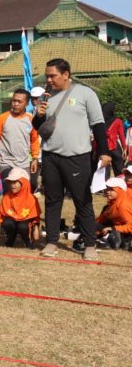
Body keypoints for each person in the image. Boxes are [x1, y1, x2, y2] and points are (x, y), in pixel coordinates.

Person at [32, 58, 110, 261]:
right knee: (52, 200)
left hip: (77, 157)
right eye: (47, 76)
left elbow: (99, 124)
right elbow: (38, 127)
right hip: (50, 156)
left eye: (53, 75)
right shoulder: (45, 97)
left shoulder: (85, 94)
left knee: (82, 200)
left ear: (66, 74)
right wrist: (38, 115)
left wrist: (104, 151)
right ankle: (51, 241)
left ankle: (90, 244)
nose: (49, 79)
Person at [0, 89, 40, 192]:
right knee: (10, 191)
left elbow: (34, 140)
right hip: (5, 163)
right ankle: (7, 208)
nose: (15, 104)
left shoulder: (31, 120)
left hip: (23, 163)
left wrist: (35, 158)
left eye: (19, 102)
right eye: (14, 101)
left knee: (24, 192)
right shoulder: (2, 118)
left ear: (27, 103)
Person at [0, 168, 41, 248]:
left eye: (15, 182)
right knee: (7, 223)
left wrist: (36, 228)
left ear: (24, 183)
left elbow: (36, 216)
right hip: (12, 220)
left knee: (23, 226)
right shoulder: (7, 197)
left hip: (25, 222)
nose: (12, 185)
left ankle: (27, 240)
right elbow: (0, 214)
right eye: (10, 182)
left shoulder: (31, 198)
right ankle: (11, 238)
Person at [90, 178, 132, 251]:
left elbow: (131, 226)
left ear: (120, 191)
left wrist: (113, 229)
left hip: (127, 233)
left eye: (112, 189)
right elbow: (102, 218)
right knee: (92, 226)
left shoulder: (123, 206)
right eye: (107, 189)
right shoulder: (112, 203)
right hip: (119, 228)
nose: (108, 192)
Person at [101, 102, 126, 177]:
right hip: (115, 147)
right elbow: (121, 136)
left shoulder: (101, 121)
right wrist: (124, 148)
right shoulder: (118, 121)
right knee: (119, 168)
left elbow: (97, 136)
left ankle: (106, 187)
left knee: (105, 170)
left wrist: (96, 150)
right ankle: (119, 186)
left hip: (104, 147)